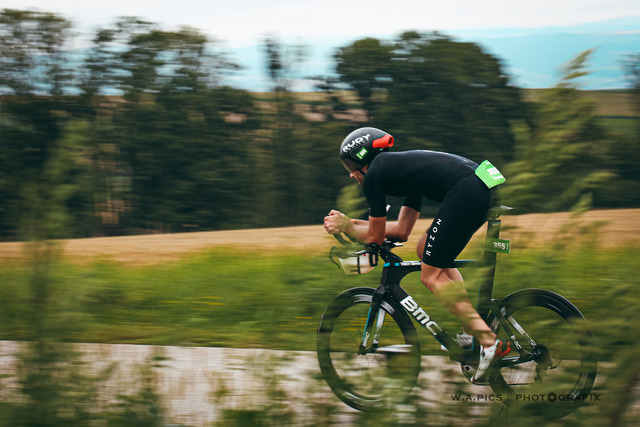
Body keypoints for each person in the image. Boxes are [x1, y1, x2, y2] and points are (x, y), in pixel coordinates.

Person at [323, 127, 510, 382]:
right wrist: (354, 224)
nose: (351, 174)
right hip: (480, 183)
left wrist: (346, 226)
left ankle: (488, 340)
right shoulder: (402, 172)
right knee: (425, 251)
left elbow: (375, 238)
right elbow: (402, 231)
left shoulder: (376, 174)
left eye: (350, 167)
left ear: (362, 162)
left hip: (466, 188)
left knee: (430, 276)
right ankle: (471, 329)